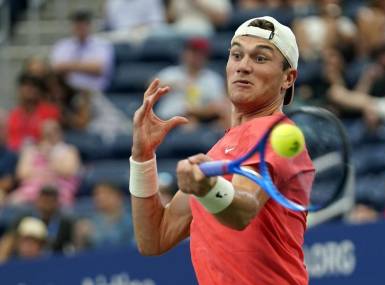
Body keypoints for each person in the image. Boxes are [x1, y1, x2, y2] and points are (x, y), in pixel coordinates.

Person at [130, 16, 314, 284]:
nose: (243, 66)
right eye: (236, 55)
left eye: (260, 58)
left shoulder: (277, 133)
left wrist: (207, 188)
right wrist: (142, 158)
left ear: (288, 78)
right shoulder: (220, 149)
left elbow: (243, 210)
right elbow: (154, 238)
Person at [50, 9, 114, 93]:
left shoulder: (102, 44)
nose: (80, 27)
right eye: (77, 23)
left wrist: (68, 66)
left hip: (97, 93)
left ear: (89, 25)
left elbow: (99, 68)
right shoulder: (62, 45)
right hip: (68, 93)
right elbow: (56, 67)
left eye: (83, 23)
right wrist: (85, 66)